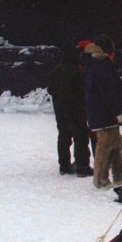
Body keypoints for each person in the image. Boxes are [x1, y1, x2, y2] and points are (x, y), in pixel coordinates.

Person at [81, 35, 122, 189]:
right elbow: (109, 93)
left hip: (101, 113)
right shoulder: (102, 66)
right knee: (106, 146)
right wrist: (118, 112)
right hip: (105, 114)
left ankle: (120, 175)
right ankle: (100, 180)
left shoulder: (96, 64)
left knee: (114, 144)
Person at [47, 42, 93, 177]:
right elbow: (82, 90)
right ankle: (82, 166)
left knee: (64, 137)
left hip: (60, 110)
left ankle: (64, 166)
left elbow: (51, 89)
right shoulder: (78, 71)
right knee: (81, 137)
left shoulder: (55, 71)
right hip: (76, 109)